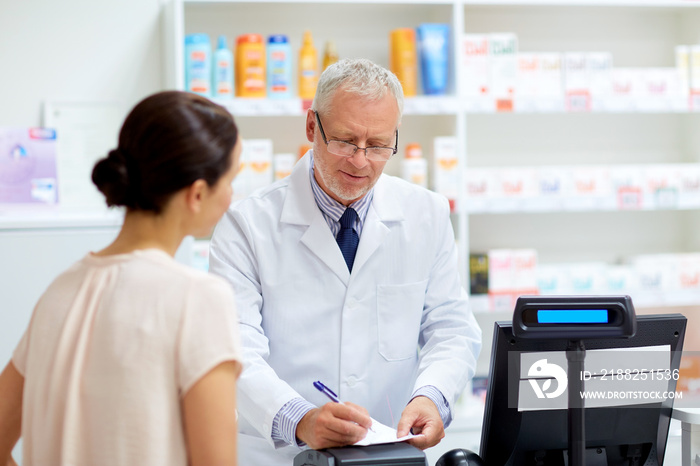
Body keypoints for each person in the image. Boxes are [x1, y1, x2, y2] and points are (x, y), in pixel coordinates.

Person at [209, 58, 482, 465]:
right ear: (310, 127)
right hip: (279, 456)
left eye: (376, 145)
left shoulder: (426, 213)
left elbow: (451, 328)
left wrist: (433, 396)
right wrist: (298, 418)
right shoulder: (246, 224)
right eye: (344, 140)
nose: (360, 160)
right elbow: (234, 347)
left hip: (389, 452)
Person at [0, 91, 243, 466]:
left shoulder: (61, 290)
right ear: (197, 193)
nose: (232, 195)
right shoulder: (198, 299)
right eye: (231, 179)